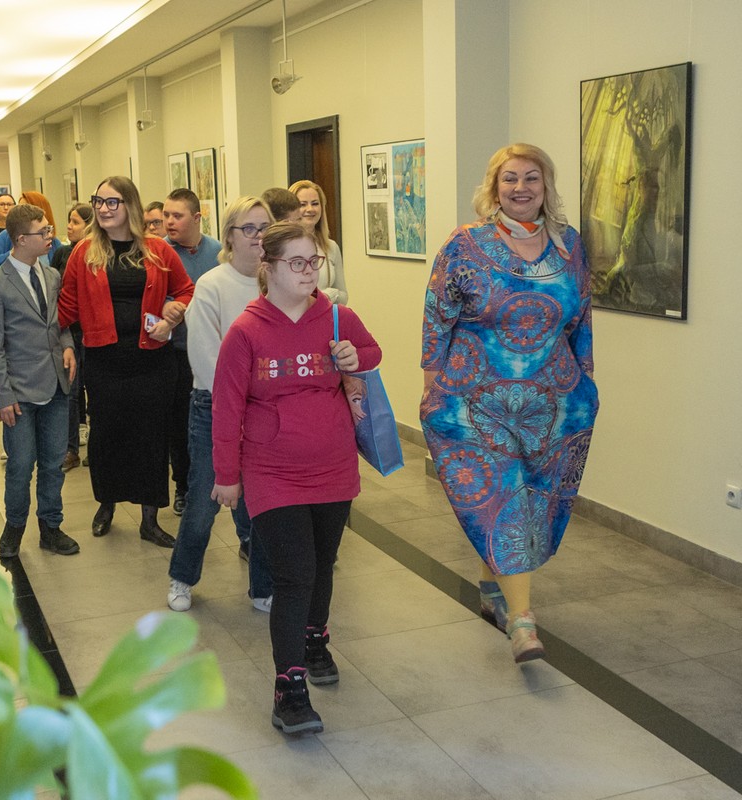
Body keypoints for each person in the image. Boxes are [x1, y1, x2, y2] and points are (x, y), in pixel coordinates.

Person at [420, 143, 598, 664]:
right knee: (504, 501)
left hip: (554, 403)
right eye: (510, 179)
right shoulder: (465, 244)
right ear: (494, 187)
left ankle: (492, 590)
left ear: (546, 186)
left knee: (534, 502)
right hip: (474, 403)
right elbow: (437, 317)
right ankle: (523, 622)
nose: (521, 188)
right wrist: (431, 387)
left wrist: (586, 381)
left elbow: (582, 315)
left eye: (531, 178)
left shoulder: (569, 245)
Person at [212, 221, 381, 735]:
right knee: (294, 575)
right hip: (272, 471)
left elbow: (372, 352)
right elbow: (226, 408)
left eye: (315, 261)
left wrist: (355, 356)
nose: (309, 272)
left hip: (333, 466)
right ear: (269, 267)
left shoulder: (337, 317)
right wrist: (227, 475)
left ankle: (314, 640)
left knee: (323, 563)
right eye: (297, 262)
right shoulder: (247, 331)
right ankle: (289, 690)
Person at [58, 176, 194, 548]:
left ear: (129, 205)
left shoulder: (157, 250)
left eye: (112, 202)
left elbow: (185, 289)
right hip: (105, 362)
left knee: (151, 439)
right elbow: (66, 304)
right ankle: (107, 505)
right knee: (106, 437)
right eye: (98, 201)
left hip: (153, 362)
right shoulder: (84, 252)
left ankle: (150, 519)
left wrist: (173, 314)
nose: (103, 208)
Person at [166, 196, 274, 615]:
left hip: (264, 408)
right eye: (249, 229)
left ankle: (263, 586)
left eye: (265, 228)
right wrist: (241, 402)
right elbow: (205, 357)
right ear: (229, 236)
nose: (259, 237)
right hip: (215, 406)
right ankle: (182, 576)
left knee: (262, 502)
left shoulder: (278, 281)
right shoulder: (212, 285)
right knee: (203, 500)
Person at [0, 203, 80, 559]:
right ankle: (15, 527)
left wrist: (68, 346)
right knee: (21, 466)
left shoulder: (51, 275)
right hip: (19, 392)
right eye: (44, 231)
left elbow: (60, 323)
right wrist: (2, 395)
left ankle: (51, 527)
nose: (51, 236)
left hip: (56, 385)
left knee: (53, 463)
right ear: (21, 239)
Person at [162, 188, 222, 516]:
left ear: (197, 218)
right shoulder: (159, 253)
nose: (169, 221)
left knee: (213, 422)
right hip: (176, 351)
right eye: (166, 215)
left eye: (177, 215)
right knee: (179, 424)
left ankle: (214, 481)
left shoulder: (218, 252)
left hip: (214, 352)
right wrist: (169, 306)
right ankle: (183, 486)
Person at [52, 203, 94, 472]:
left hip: (93, 331)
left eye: (75, 222)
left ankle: (97, 447)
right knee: (71, 391)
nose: (69, 226)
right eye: (69, 220)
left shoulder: (98, 253)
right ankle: (71, 450)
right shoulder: (62, 253)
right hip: (69, 332)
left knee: (96, 390)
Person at [289, 179, 348, 305]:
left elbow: (343, 297)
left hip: (325, 315)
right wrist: (323, 297)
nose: (310, 209)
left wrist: (327, 295)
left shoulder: (331, 247)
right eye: (303, 204)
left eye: (315, 203)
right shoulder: (281, 247)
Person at [0, 191, 62, 277]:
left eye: (25, 210)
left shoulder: (54, 243)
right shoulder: (6, 236)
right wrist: (12, 254)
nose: (19, 214)